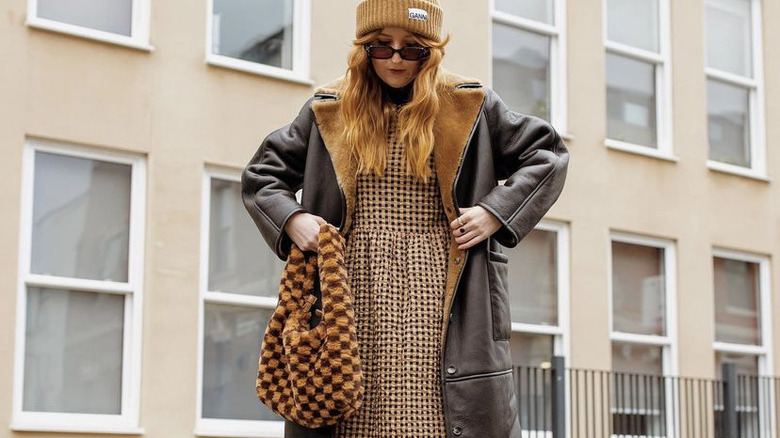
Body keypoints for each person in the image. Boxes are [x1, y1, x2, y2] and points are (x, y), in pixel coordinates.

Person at [241, 0, 569, 437]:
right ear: (364, 49)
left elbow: (547, 155)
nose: (396, 58)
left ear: (431, 51)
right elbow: (262, 176)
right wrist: (293, 219)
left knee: (439, 416)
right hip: (350, 287)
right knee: (350, 410)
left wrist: (494, 212)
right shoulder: (329, 108)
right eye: (382, 46)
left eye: (411, 48)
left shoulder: (469, 104)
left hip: (447, 286)